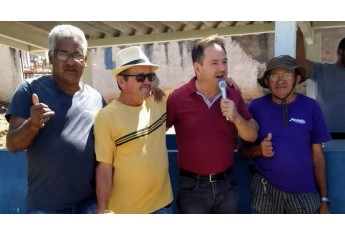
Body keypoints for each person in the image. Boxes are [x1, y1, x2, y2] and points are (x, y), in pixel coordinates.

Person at [5, 24, 105, 214]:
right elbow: (12, 144)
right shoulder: (30, 89)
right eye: (62, 54)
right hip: (46, 208)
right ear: (50, 57)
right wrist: (32, 125)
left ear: (84, 60)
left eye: (76, 55)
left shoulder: (97, 99)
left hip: (88, 206)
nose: (70, 61)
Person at [166, 34, 258, 214]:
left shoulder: (233, 94)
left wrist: (236, 117)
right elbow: (156, 132)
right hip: (192, 188)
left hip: (227, 184)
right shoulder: (178, 98)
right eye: (214, 63)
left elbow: (252, 134)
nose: (222, 68)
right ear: (197, 67)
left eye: (224, 62)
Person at [238, 55, 331, 214]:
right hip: (265, 190)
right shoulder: (256, 107)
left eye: (287, 74)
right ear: (267, 81)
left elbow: (318, 158)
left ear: (297, 78)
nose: (280, 80)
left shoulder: (311, 107)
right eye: (274, 75)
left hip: (304, 192)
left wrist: (324, 199)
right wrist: (258, 150)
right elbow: (241, 149)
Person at [94, 46, 173, 214]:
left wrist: (223, 83)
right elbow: (104, 167)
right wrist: (102, 210)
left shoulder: (159, 100)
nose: (147, 81)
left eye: (150, 76)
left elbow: (193, 91)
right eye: (140, 77)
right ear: (121, 81)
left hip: (163, 206)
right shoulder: (106, 117)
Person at [296, 29, 345, 138]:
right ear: (340, 52)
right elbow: (300, 63)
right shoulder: (322, 70)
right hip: (326, 135)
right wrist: (299, 32)